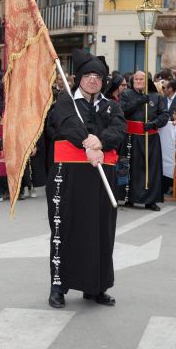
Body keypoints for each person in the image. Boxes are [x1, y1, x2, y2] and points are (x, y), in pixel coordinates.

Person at [46, 50, 126, 309]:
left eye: (98, 76)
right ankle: (58, 286)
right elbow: (66, 124)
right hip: (68, 175)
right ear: (79, 77)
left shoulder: (111, 105)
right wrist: (86, 141)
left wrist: (101, 141)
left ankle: (96, 286)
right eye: (89, 75)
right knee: (65, 229)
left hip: (102, 176)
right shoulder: (65, 101)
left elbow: (119, 129)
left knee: (101, 230)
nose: (93, 80)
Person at [120, 71, 169, 211]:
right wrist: (139, 101)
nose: (138, 81)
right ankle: (129, 197)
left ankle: (150, 200)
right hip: (131, 137)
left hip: (150, 137)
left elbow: (165, 115)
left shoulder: (156, 97)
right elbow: (122, 111)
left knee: (150, 169)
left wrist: (153, 124)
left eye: (141, 79)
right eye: (136, 78)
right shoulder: (126, 94)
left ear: (147, 81)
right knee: (131, 168)